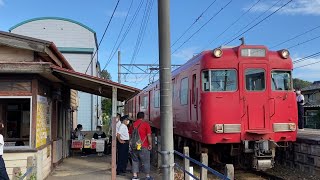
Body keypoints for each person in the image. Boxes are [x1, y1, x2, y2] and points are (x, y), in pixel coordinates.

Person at [129, 112, 153, 180]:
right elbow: (149, 136)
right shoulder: (146, 124)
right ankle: (147, 176)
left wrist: (131, 144)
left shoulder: (133, 125)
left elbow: (130, 135)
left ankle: (135, 176)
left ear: (137, 117)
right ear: (143, 117)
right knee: (146, 161)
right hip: (144, 145)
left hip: (134, 146)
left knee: (135, 160)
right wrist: (150, 144)